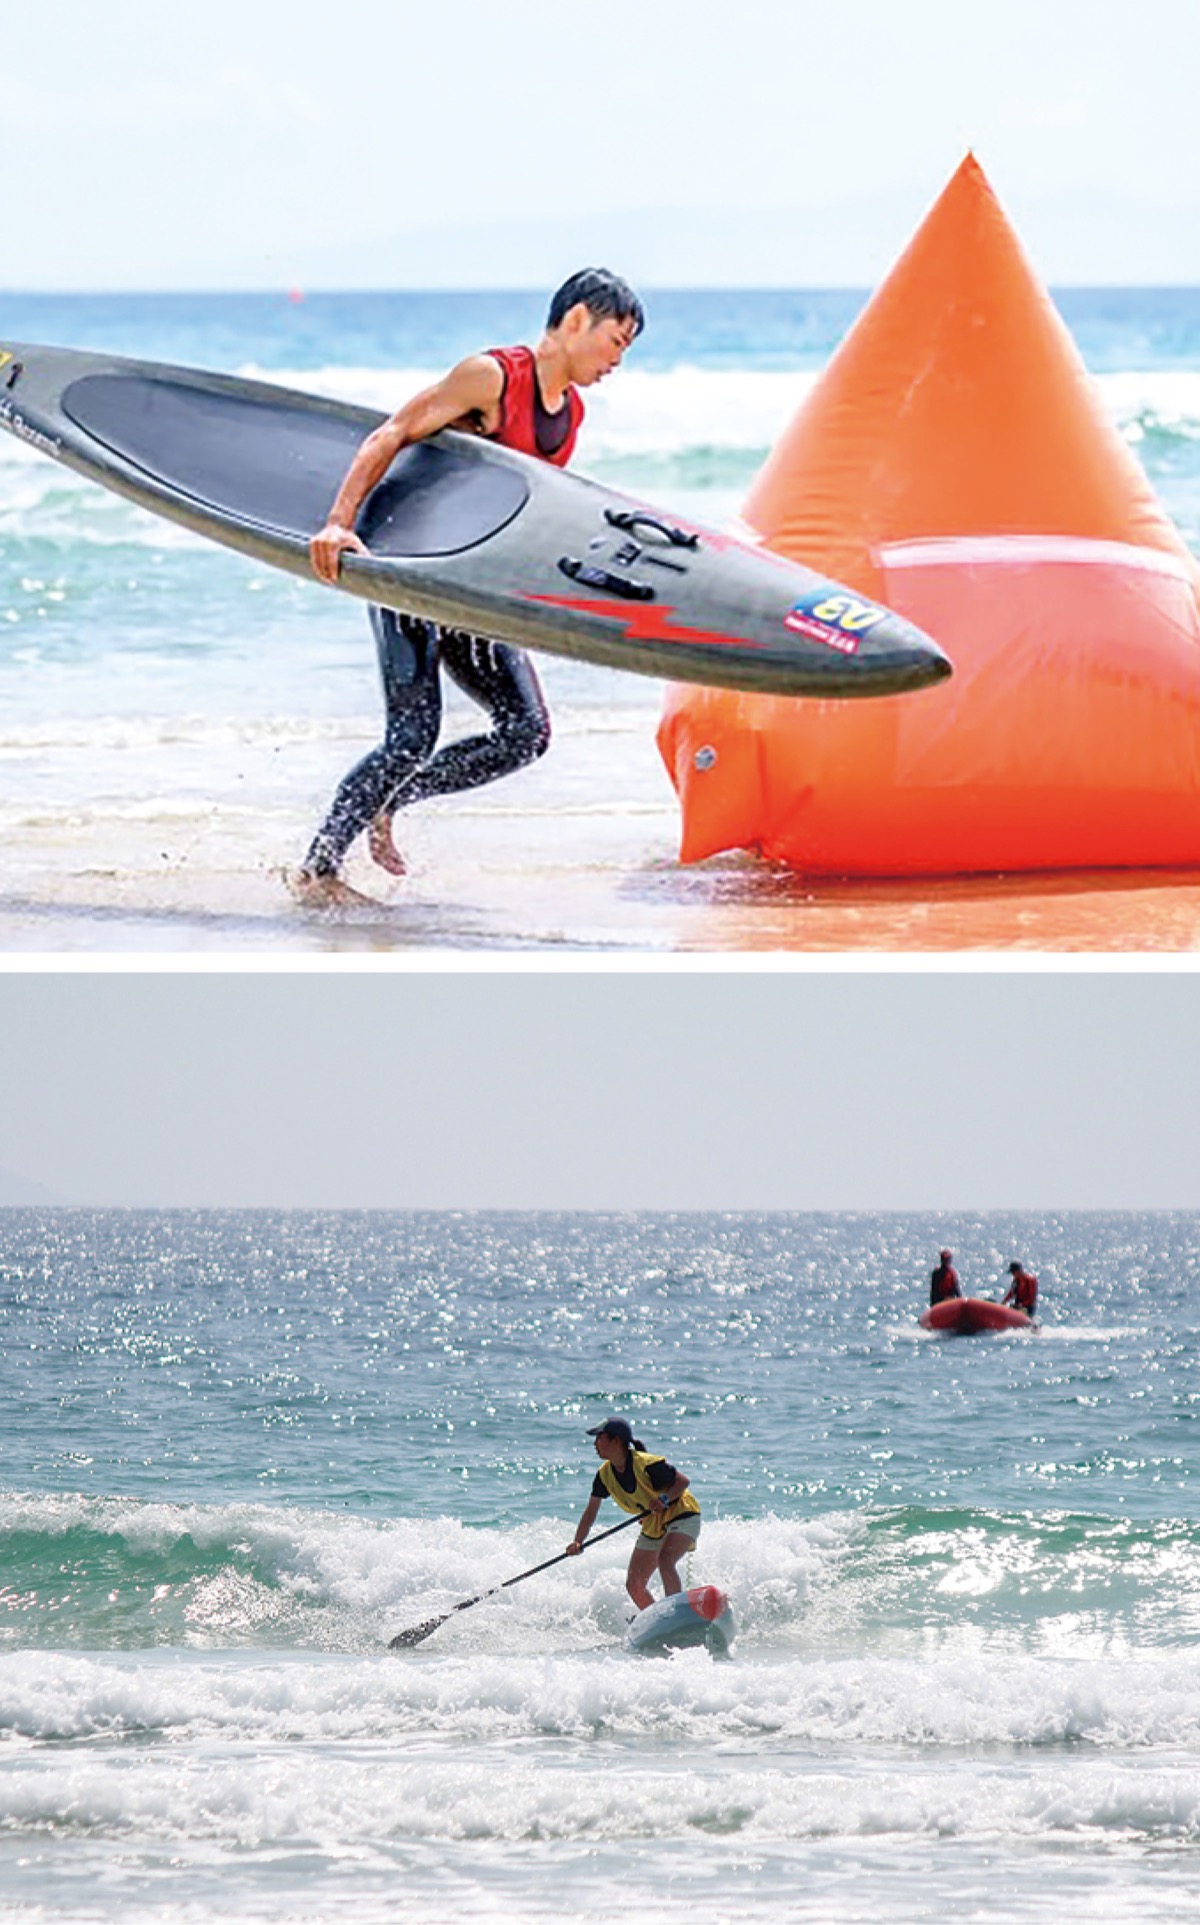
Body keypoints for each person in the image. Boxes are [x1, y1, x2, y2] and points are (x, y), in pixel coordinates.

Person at [293, 268, 646, 906]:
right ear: (575, 322)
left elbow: (521, 506)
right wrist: (338, 524)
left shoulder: (571, 414)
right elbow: (392, 433)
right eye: (616, 340)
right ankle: (318, 870)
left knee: (524, 733)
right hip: (408, 564)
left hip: (471, 582)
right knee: (410, 737)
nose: (620, 358)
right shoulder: (490, 376)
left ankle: (390, 801)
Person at [566, 1417, 702, 1611]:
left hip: (682, 1514)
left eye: (599, 1438)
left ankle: (677, 1611)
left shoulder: (647, 1464)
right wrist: (578, 1541)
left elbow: (682, 1481)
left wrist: (664, 1499)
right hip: (653, 1525)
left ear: (617, 1441)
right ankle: (658, 1620)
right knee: (634, 1585)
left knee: (666, 1559)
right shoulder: (604, 1475)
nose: (595, 1444)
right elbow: (590, 1512)